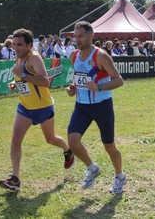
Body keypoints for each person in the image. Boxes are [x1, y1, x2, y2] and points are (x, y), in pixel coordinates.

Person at [0, 28, 74, 191]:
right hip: (25, 106)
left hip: (43, 106)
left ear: (28, 45)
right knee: (15, 140)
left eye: (19, 45)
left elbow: (45, 82)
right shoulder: (18, 58)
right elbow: (21, 76)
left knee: (51, 139)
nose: (16, 48)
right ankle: (15, 179)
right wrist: (15, 82)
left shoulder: (34, 58)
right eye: (14, 45)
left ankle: (68, 150)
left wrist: (24, 76)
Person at [65, 21, 126, 193]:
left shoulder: (101, 56)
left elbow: (119, 80)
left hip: (102, 106)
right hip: (81, 106)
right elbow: (78, 78)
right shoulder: (74, 56)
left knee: (109, 146)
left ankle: (119, 176)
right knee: (73, 141)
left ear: (91, 36)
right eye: (75, 36)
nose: (77, 39)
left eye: (81, 36)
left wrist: (99, 87)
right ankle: (92, 168)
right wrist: (72, 88)